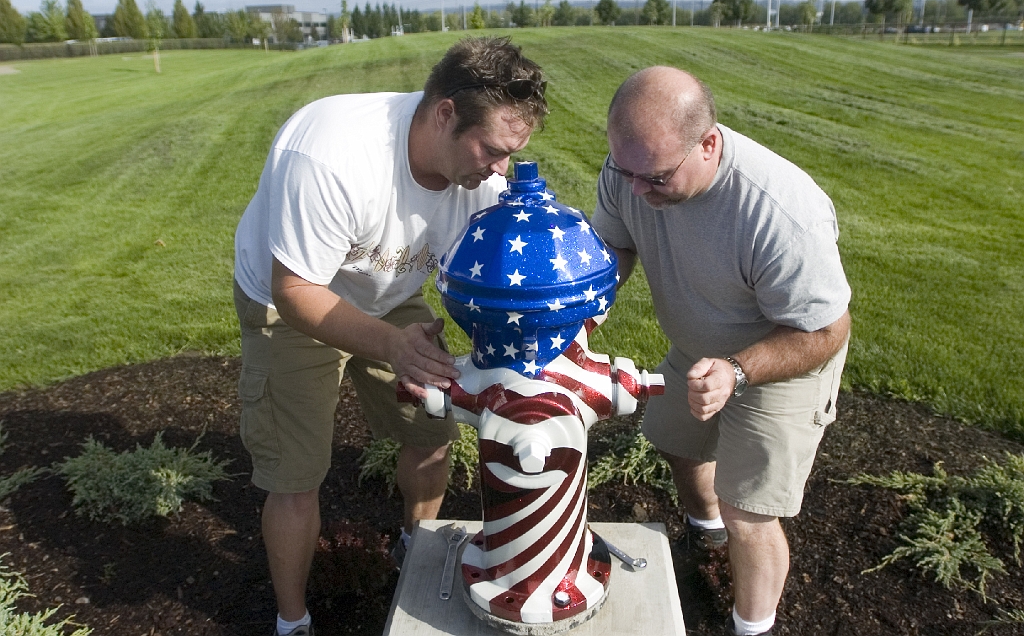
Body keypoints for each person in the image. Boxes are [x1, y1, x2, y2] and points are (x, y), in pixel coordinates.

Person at [233, 36, 548, 636]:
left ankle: (413, 545)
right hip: (290, 300)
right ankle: (292, 620)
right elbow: (295, 290)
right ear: (445, 113)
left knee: (431, 432)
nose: (500, 169)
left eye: (512, 153)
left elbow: (508, 264)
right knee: (296, 476)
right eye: (493, 149)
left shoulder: (483, 180)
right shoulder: (330, 154)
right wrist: (391, 346)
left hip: (389, 294)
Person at [591, 66, 851, 636]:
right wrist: (586, 306)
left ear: (708, 144)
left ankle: (750, 628)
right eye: (625, 171)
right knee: (677, 440)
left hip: (782, 356)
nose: (635, 190)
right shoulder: (630, 170)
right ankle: (704, 537)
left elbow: (826, 332)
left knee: (749, 514)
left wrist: (738, 370)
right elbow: (616, 242)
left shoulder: (781, 214)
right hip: (699, 347)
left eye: (654, 177)